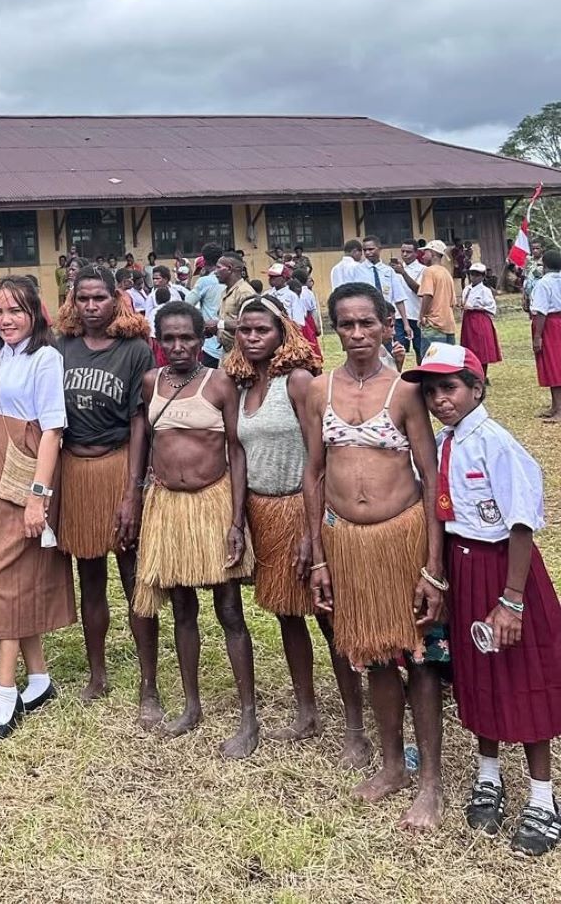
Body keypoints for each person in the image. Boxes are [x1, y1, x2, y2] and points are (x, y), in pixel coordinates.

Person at [302, 281, 447, 832]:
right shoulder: (319, 389)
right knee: (375, 652)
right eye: (347, 324)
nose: (358, 334)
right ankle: (391, 766)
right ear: (334, 328)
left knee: (421, 655)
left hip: (402, 538)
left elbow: (432, 480)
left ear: (389, 325)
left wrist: (434, 569)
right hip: (348, 543)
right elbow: (313, 474)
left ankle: (430, 780)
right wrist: (318, 555)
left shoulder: (406, 391)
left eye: (368, 323)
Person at [405, 344, 561, 856]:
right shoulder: (447, 442)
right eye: (431, 392)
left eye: (449, 388)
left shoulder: (497, 443)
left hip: (504, 572)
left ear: (477, 387)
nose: (439, 400)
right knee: (477, 672)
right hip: (463, 568)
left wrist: (512, 600)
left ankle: (542, 798)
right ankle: (488, 774)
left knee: (524, 675)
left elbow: (520, 523)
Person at [222, 297, 370, 766]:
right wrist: (237, 517)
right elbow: (238, 454)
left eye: (261, 329)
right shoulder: (244, 385)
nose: (251, 337)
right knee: (287, 614)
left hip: (300, 508)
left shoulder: (299, 382)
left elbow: (318, 456)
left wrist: (312, 530)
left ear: (282, 332)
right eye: (244, 329)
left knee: (329, 618)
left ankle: (356, 728)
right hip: (263, 511)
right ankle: (307, 712)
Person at [134, 301, 257, 757]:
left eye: (187, 337)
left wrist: (236, 519)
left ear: (202, 335)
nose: (179, 346)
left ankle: (248, 714)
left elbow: (237, 451)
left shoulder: (220, 382)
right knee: (182, 610)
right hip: (169, 508)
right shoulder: (151, 383)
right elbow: (148, 444)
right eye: (169, 338)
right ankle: (191, 704)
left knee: (229, 609)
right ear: (158, 340)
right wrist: (142, 494)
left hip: (213, 503)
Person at [0, 275, 75, 742]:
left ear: (34, 313)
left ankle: (6, 693)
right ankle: (40, 679)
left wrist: (38, 495)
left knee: (8, 577)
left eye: (15, 311)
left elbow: (53, 430)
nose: (5, 320)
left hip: (23, 470)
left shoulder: (45, 358)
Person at [54, 266, 159, 723]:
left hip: (118, 465)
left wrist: (133, 491)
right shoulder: (61, 348)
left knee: (134, 576)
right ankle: (97, 675)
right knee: (89, 576)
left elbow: (140, 420)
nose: (91, 306)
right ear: (72, 301)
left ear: (115, 299)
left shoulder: (135, 350)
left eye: (99, 298)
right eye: (84, 299)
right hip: (75, 468)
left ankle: (148, 683)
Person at [530, 249, 561, 422]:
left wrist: (538, 336)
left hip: (549, 325)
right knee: (557, 363)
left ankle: (559, 410)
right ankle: (555, 405)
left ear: (546, 265)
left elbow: (541, 312)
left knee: (553, 365)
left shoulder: (544, 283)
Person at [186, 243, 226, 368]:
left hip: (211, 344)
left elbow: (187, 304)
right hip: (230, 341)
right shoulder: (231, 278)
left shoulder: (204, 281)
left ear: (204, 260)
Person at [459, 262, 501, 378]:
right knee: (469, 347)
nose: (474, 277)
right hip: (468, 320)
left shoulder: (485, 291)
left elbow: (491, 307)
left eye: (477, 275)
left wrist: (475, 308)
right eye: (472, 274)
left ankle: (482, 374)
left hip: (480, 319)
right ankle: (471, 372)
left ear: (482, 276)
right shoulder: (466, 289)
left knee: (482, 348)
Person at [416, 240, 457, 347]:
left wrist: (421, 316)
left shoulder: (429, 271)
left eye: (425, 253)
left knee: (431, 361)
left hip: (434, 325)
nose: (423, 256)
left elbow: (428, 295)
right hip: (449, 326)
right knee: (447, 362)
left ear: (433, 253)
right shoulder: (446, 273)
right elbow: (453, 302)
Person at [213, 253, 254, 353]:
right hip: (227, 351)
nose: (215, 272)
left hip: (241, 354)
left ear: (229, 269)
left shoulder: (244, 292)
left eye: (218, 267)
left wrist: (219, 324)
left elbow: (251, 324)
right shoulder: (225, 292)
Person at [391, 239, 424, 360]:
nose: (404, 254)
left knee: (420, 350)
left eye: (408, 252)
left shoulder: (423, 270)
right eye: (403, 251)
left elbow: (419, 290)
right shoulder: (393, 271)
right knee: (398, 350)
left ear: (416, 253)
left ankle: (422, 377)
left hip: (416, 315)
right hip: (399, 316)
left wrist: (403, 273)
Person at [359, 236, 398, 306]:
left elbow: (399, 298)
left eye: (371, 249)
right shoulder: (356, 270)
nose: (367, 252)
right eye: (364, 250)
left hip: (387, 311)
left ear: (379, 249)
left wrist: (404, 317)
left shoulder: (389, 271)